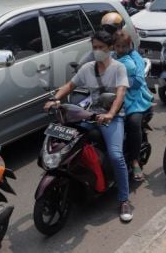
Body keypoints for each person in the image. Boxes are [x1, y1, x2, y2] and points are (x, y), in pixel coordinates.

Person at [44, 31, 134, 222]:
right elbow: (70, 85)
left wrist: (110, 114)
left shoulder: (119, 68)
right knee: (68, 141)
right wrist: (54, 99)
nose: (98, 51)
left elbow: (120, 94)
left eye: (102, 47)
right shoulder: (87, 68)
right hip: (90, 114)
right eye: (95, 47)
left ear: (110, 48)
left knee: (116, 155)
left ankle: (124, 199)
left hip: (112, 118)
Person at [113, 31, 153, 182]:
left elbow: (137, 82)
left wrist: (117, 80)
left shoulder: (134, 57)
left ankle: (135, 160)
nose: (121, 49)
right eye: (118, 46)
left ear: (129, 45)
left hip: (134, 99)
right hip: (113, 96)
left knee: (133, 122)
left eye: (124, 46)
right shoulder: (111, 56)